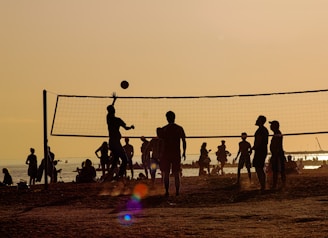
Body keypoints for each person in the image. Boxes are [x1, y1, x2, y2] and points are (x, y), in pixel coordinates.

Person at [106, 97, 135, 181]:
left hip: (111, 142)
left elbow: (110, 109)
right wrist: (131, 127)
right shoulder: (117, 120)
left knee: (115, 161)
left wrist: (114, 101)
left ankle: (110, 177)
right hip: (116, 143)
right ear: (114, 111)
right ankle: (119, 176)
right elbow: (126, 128)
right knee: (125, 160)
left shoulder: (108, 118)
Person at [159, 111, 186, 197]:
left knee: (166, 173)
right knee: (176, 173)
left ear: (167, 118)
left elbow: (161, 142)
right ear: (174, 117)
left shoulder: (164, 129)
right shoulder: (179, 128)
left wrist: (160, 153)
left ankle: (167, 191)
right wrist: (184, 152)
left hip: (166, 153)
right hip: (176, 152)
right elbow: (184, 141)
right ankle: (177, 192)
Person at [252, 115, 269, 191]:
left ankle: (263, 186)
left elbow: (259, 141)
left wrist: (253, 148)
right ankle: (263, 185)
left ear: (261, 121)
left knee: (259, 168)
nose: (256, 120)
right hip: (262, 150)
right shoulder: (263, 130)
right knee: (260, 168)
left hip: (260, 150)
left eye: (257, 119)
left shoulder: (261, 130)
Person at [269, 120, 286, 189]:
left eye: (271, 125)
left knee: (278, 170)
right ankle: (277, 184)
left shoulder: (278, 133)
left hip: (278, 154)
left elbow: (277, 145)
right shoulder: (276, 133)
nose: (270, 126)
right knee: (277, 170)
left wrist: (275, 154)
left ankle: (278, 185)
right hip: (276, 154)